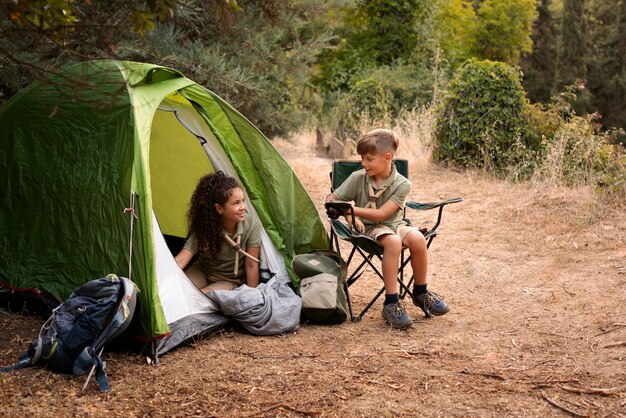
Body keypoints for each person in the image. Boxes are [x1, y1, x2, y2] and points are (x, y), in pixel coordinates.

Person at [325, 128, 450, 329]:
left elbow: (383, 214)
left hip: (395, 224)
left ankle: (421, 292)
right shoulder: (358, 177)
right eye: (362, 159)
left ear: (387, 157)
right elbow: (332, 200)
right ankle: (391, 303)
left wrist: (350, 209)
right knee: (392, 242)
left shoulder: (402, 184)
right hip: (368, 229)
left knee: (418, 238)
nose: (363, 163)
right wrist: (349, 215)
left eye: (368, 159)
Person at [175, 171, 261, 292]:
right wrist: (160, 280)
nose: (243, 207)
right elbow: (181, 259)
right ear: (219, 208)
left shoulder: (251, 224)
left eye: (243, 201)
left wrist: (253, 296)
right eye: (236, 203)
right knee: (181, 289)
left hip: (229, 280)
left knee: (202, 295)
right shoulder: (207, 226)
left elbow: (251, 265)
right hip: (203, 271)